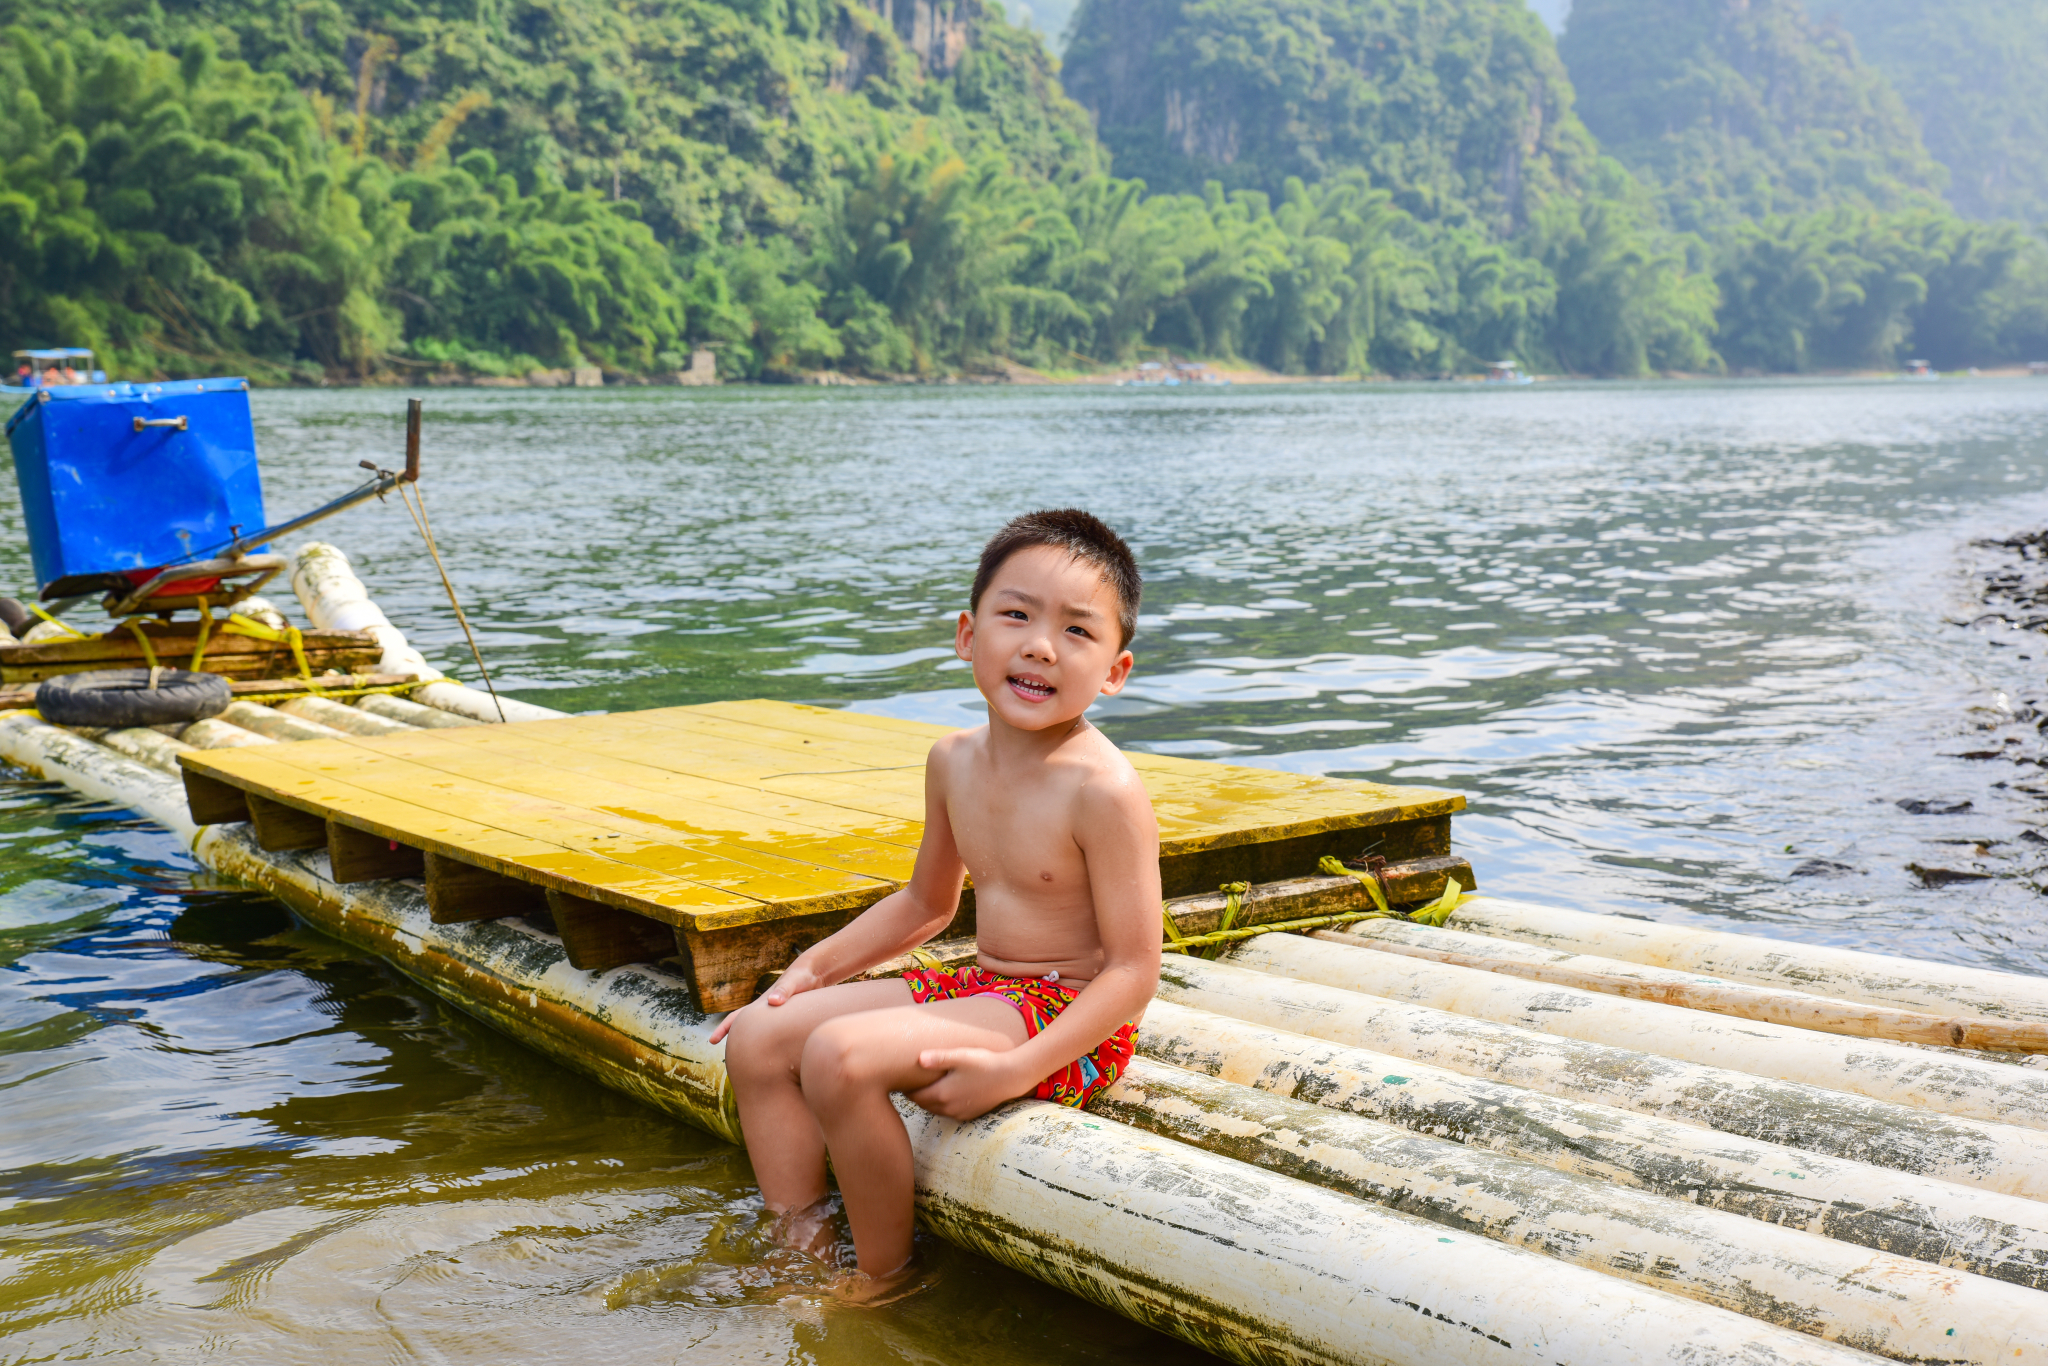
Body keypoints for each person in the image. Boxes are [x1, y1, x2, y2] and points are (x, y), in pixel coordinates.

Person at [712, 507, 1161, 1297]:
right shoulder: (953, 759)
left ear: (1115, 671)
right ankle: (801, 1241)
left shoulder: (1104, 789)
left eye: (1077, 632)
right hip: (985, 990)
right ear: (967, 634)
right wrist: (811, 969)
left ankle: (885, 1275)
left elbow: (1133, 972)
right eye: (1016, 615)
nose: (1039, 646)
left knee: (838, 1057)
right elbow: (927, 902)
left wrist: (1014, 1068)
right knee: (759, 1035)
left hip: (1066, 1017)